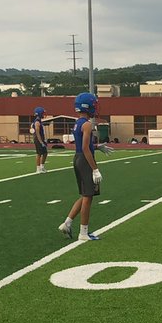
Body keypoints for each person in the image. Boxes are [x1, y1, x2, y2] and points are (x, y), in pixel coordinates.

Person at [58, 92, 112, 242]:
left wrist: (97, 146)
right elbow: (85, 148)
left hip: (78, 158)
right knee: (88, 197)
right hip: (85, 159)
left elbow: (84, 146)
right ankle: (83, 232)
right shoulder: (87, 124)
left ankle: (67, 223)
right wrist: (95, 168)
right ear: (88, 106)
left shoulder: (78, 123)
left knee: (84, 195)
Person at [30, 106, 50, 173]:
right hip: (38, 139)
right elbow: (37, 133)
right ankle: (38, 168)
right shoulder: (37, 122)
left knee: (45, 153)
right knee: (39, 153)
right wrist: (41, 141)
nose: (44, 115)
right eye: (43, 113)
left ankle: (42, 166)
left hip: (41, 139)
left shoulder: (39, 121)